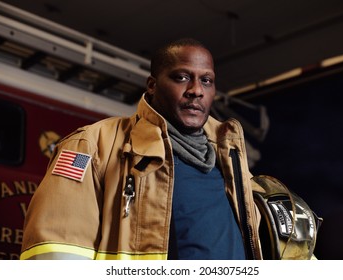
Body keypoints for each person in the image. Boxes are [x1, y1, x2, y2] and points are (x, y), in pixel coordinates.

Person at [20, 38, 316, 260]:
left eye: (207, 81)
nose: (196, 90)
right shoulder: (93, 145)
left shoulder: (233, 165)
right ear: (152, 85)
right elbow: (56, 254)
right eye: (182, 77)